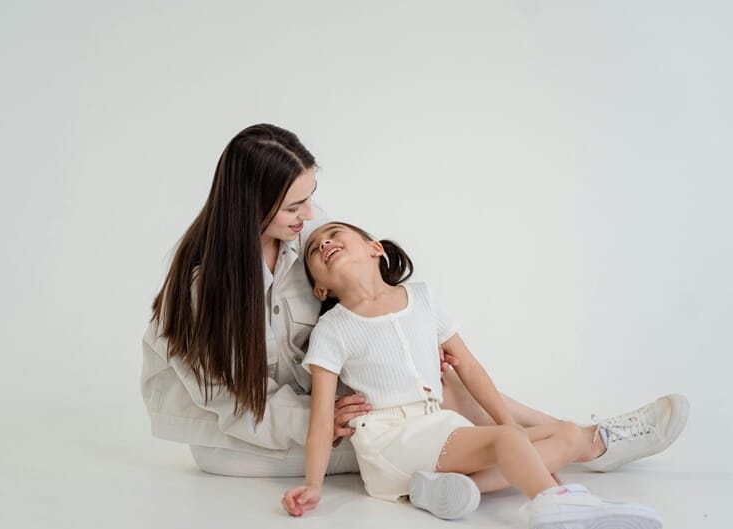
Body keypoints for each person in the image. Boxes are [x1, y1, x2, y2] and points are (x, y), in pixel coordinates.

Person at [141, 123, 689, 505]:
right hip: (244, 441)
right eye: (294, 207)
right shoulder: (200, 289)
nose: (311, 218)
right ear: (248, 206)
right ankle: (578, 447)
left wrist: (403, 342)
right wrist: (320, 423)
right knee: (419, 433)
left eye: (312, 197)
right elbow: (230, 406)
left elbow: (359, 293)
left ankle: (584, 438)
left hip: (332, 401)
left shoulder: (306, 235)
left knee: (441, 385)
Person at [282, 222, 665, 529]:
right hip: (391, 441)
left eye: (334, 235)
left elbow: (470, 367)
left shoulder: (423, 298)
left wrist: (506, 422)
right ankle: (556, 504)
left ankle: (436, 490)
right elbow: (321, 420)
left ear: (374, 249)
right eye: (316, 250)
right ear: (321, 290)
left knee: (565, 434)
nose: (325, 244)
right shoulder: (333, 330)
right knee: (507, 442)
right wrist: (313, 485)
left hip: (436, 427)